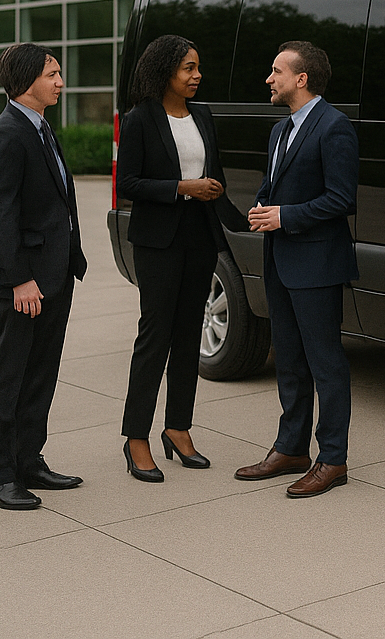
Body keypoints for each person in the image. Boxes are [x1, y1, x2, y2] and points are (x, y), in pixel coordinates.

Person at [117, 35, 247, 483]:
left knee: (189, 335)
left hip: (200, 237)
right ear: (165, 71)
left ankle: (178, 428)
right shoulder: (139, 120)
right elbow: (128, 184)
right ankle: (136, 438)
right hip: (158, 241)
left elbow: (218, 178)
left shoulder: (204, 115)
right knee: (155, 336)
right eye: (188, 68)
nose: (197, 76)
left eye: (197, 68)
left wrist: (244, 218)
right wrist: (179, 188)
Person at [234, 42, 359, 497]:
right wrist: (262, 207)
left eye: (276, 71)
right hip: (280, 262)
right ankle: (290, 449)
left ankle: (333, 458)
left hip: (318, 265)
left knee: (325, 363)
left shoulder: (334, 127)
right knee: (287, 359)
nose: (269, 79)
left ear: (301, 78)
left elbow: (342, 198)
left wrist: (285, 215)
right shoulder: (280, 131)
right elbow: (273, 186)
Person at [0, 44, 88, 511]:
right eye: (53, 73)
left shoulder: (42, 128)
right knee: (7, 377)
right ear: (27, 80)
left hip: (54, 275)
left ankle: (27, 460)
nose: (61, 81)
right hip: (23, 282)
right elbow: (0, 215)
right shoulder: (4, 134)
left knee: (40, 372)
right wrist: (19, 279)